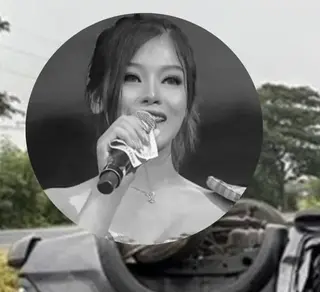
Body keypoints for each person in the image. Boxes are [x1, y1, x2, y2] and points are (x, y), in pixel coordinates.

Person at [43, 14, 233, 245]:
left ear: (187, 102)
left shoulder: (222, 208)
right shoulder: (58, 205)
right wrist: (104, 198)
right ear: (97, 98)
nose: (152, 95)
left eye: (171, 80)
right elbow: (70, 272)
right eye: (131, 77)